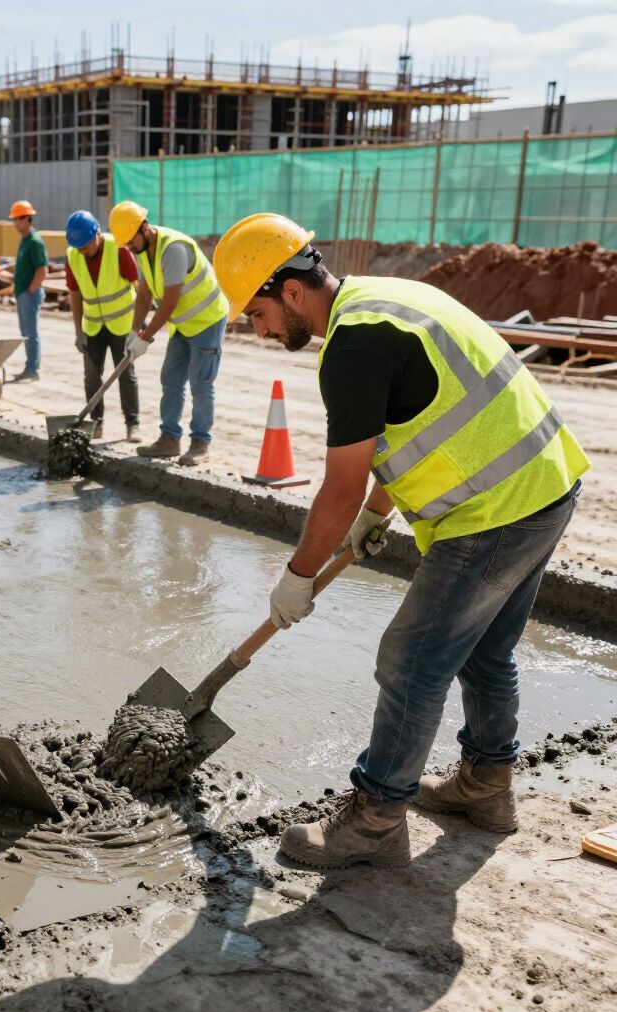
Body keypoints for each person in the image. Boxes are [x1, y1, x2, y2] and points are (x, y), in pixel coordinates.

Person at [213, 212, 589, 869]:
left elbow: (339, 487)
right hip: (545, 483)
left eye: (257, 314)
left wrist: (300, 575)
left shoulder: (353, 346)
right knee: (483, 647)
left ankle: (376, 818)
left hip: (496, 509)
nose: (262, 331)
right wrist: (378, 516)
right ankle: (486, 786)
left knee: (410, 658)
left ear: (291, 292)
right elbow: (415, 417)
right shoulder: (388, 298)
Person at [108, 201, 230, 467]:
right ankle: (169, 440)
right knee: (171, 379)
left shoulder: (173, 250)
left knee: (201, 383)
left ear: (144, 229)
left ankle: (200, 443)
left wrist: (146, 337)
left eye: (130, 241)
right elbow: (144, 293)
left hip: (207, 320)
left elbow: (169, 301)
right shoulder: (142, 250)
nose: (128, 247)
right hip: (184, 324)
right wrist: (134, 330)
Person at [64, 209, 141, 443]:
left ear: (97, 234)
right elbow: (75, 294)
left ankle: (132, 423)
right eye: (79, 247)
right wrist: (78, 331)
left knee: (125, 375)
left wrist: (137, 328)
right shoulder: (73, 256)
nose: (83, 251)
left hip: (121, 326)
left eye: (86, 245)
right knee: (91, 377)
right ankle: (96, 423)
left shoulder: (119, 251)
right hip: (93, 328)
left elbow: (139, 288)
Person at [10, 199, 48, 381]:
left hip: (29, 294)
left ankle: (33, 369)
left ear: (27, 219)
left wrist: (30, 291)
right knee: (26, 332)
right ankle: (30, 367)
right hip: (23, 293)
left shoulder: (34, 242)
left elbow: (42, 269)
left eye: (17, 219)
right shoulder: (25, 240)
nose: (15, 224)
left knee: (31, 333)